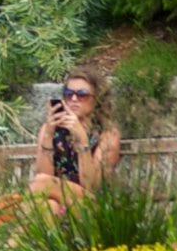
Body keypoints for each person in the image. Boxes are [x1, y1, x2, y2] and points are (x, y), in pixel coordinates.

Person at [28, 68, 122, 213]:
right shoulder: (51, 129)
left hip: (90, 207)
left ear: (97, 99)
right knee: (49, 207)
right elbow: (44, 172)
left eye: (82, 95)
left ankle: (14, 211)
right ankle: (15, 234)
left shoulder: (107, 134)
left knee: (41, 182)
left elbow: (92, 186)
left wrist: (82, 139)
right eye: (68, 94)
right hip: (58, 202)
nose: (73, 99)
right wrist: (48, 135)